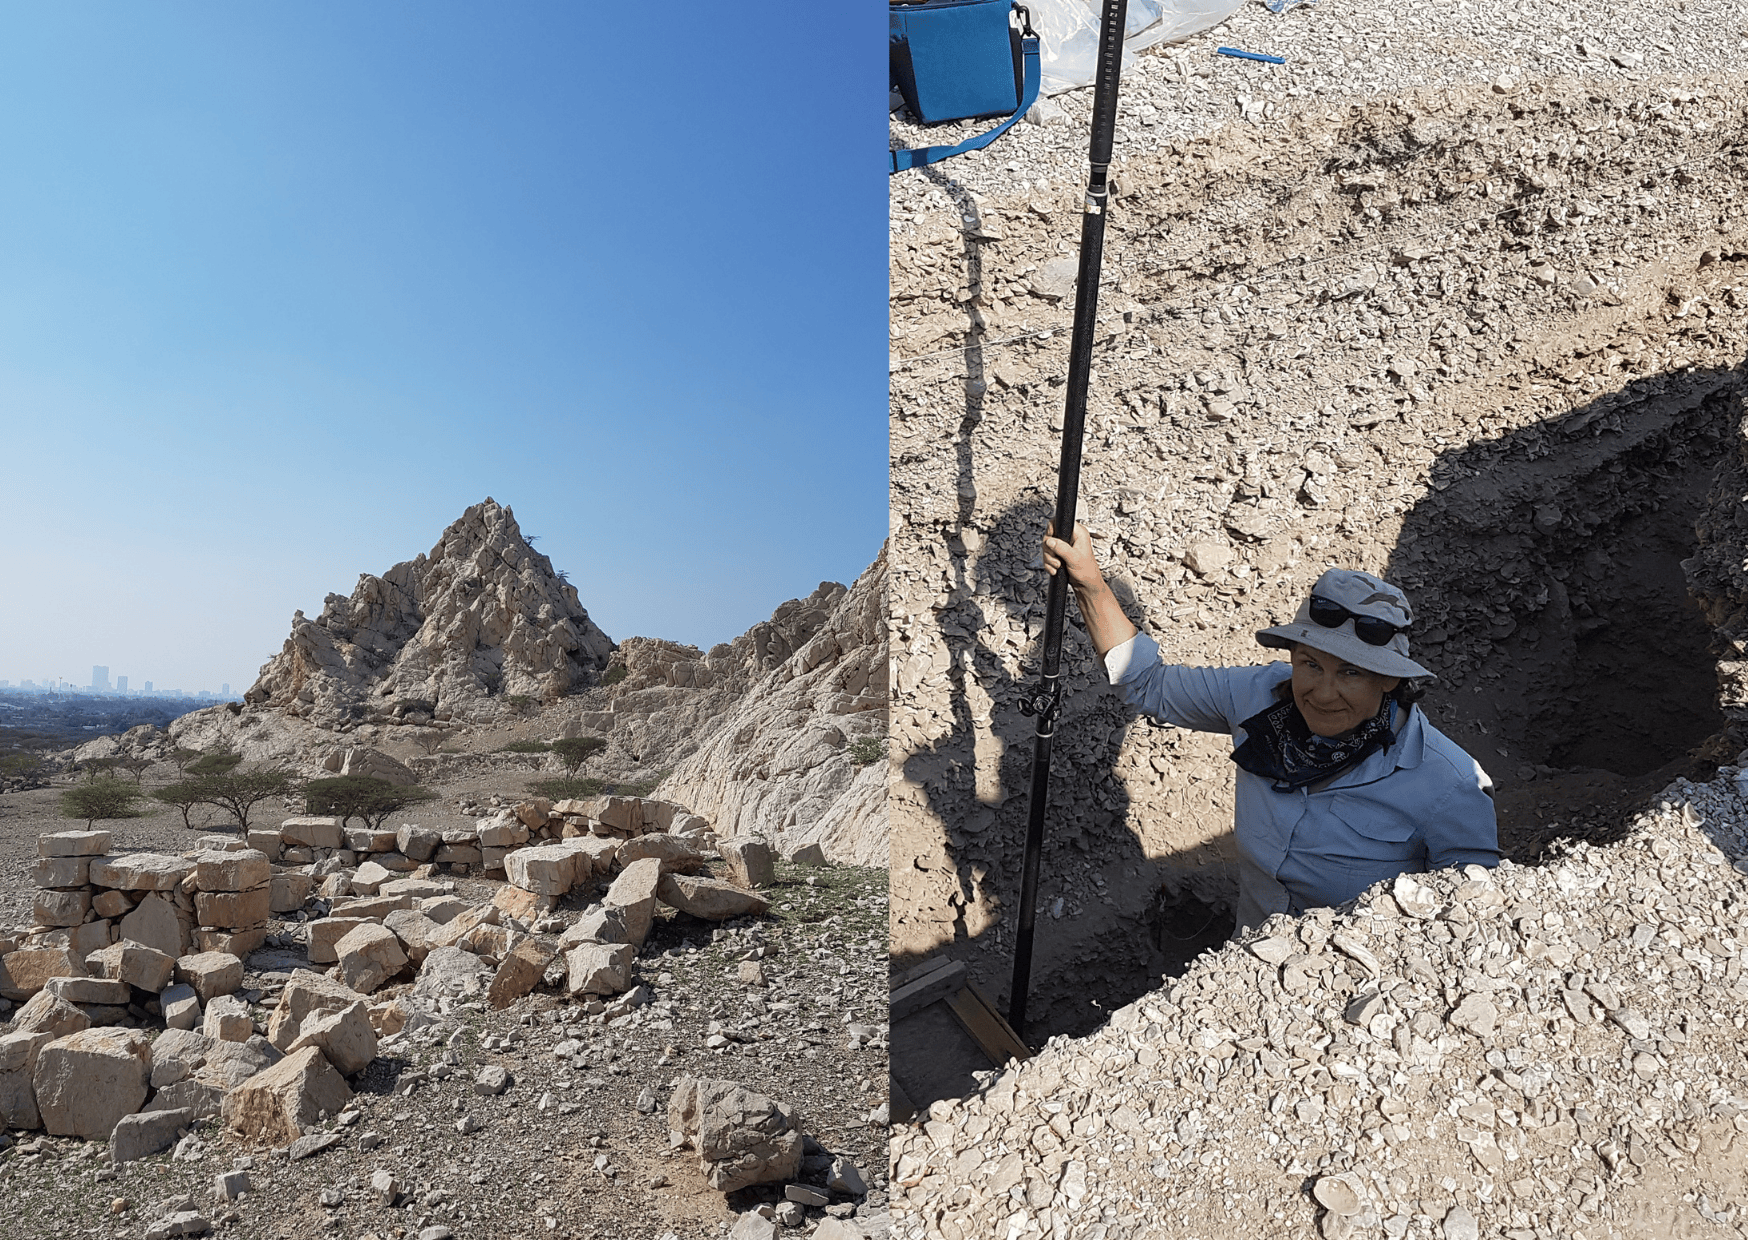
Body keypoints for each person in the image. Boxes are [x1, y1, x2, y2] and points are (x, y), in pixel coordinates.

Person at [1042, 521, 1499, 933]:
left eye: (1351, 673)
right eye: (1311, 664)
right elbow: (1148, 683)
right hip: (1248, 953)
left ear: (1390, 680)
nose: (1322, 692)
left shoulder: (1448, 785)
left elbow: (1468, 921)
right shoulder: (1258, 696)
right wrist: (1090, 585)